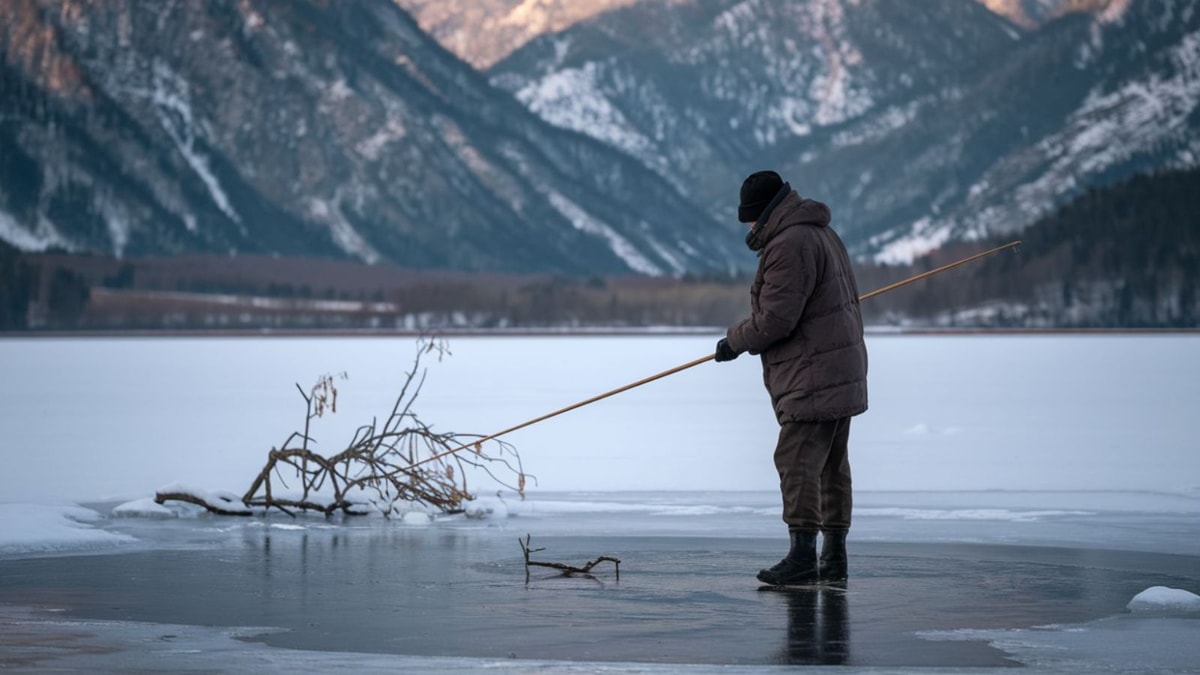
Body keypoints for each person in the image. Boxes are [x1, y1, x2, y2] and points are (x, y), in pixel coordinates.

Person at [715, 170, 868, 586]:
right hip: (839, 368)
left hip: (814, 373)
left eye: (749, 218)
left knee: (797, 461)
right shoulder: (821, 234)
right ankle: (833, 557)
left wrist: (734, 341)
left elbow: (776, 320)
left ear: (763, 214)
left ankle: (803, 556)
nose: (748, 227)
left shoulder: (789, 244)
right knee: (831, 465)